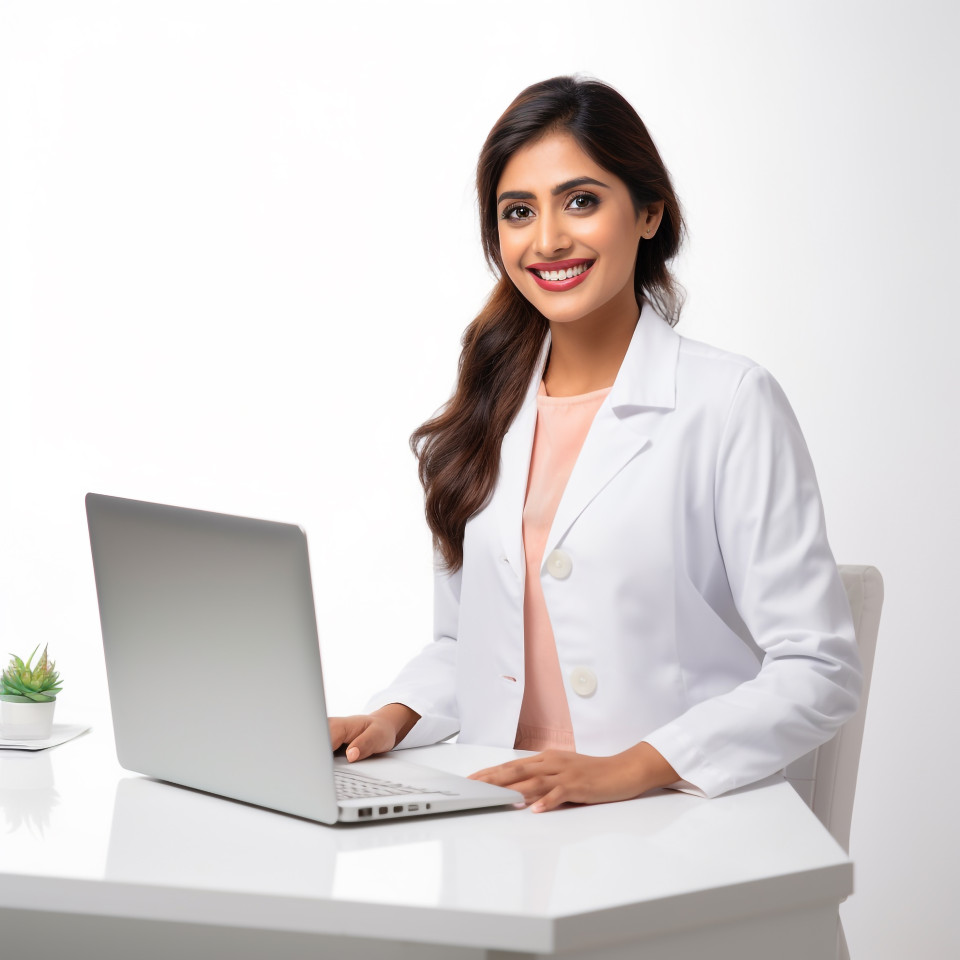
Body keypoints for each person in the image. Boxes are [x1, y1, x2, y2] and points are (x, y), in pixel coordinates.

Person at [328, 75, 861, 812]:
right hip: (500, 812)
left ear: (648, 213)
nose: (548, 240)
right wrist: (390, 717)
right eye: (519, 213)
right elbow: (467, 648)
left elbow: (818, 667)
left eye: (581, 201)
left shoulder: (729, 402)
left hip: (671, 818)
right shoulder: (484, 416)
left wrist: (630, 768)